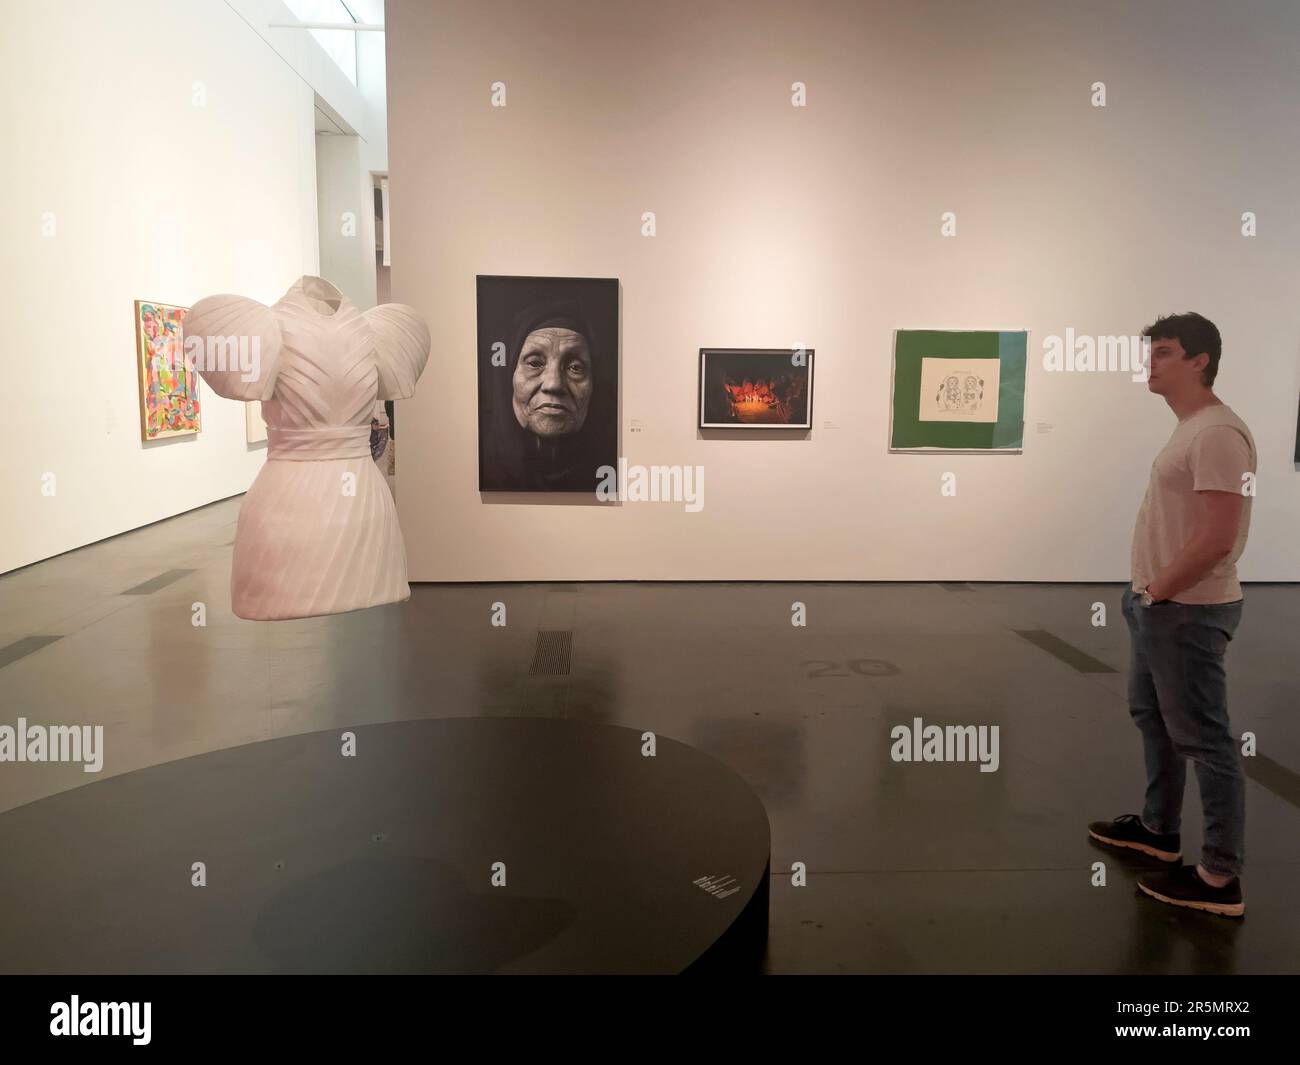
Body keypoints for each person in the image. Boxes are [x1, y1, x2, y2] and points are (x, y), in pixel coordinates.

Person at [1089, 313, 1256, 917]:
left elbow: (1217, 538)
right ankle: (1159, 832)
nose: (1150, 362)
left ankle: (1218, 876)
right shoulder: (1191, 429)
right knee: (1154, 719)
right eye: (1151, 352)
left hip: (1185, 610)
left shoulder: (1217, 434)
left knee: (1205, 740)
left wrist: (1157, 592)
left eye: (1164, 353)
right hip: (1159, 605)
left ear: (1200, 361)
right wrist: (1146, 596)